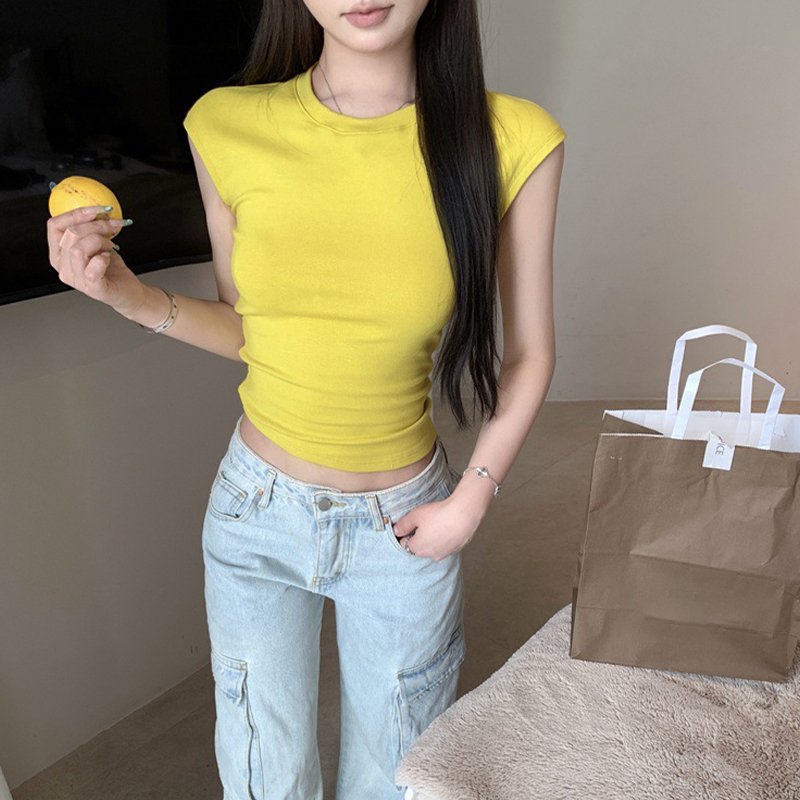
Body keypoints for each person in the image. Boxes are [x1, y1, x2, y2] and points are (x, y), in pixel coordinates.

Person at [45, 1, 566, 797]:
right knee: (264, 776)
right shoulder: (225, 125)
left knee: (397, 776)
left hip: (405, 527)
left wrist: (473, 498)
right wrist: (128, 296)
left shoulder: (512, 138)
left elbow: (530, 353)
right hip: (256, 514)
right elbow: (252, 329)